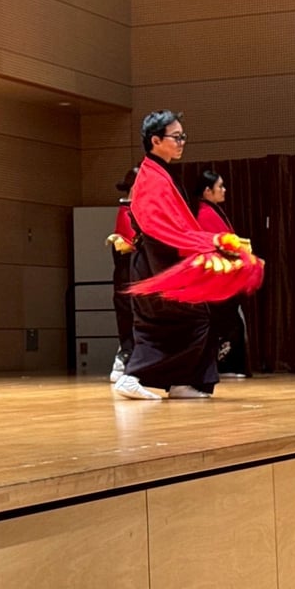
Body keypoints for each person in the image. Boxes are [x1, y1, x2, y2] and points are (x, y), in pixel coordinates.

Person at [112, 112, 263, 400]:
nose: (182, 142)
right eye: (176, 137)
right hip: (156, 262)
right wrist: (207, 245)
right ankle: (138, 376)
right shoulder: (152, 178)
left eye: (183, 136)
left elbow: (175, 226)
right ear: (156, 141)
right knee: (190, 320)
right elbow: (159, 227)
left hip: (157, 260)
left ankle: (179, 382)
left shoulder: (160, 173)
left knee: (168, 324)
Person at [194, 170, 250, 378]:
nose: (224, 190)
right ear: (207, 191)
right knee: (228, 322)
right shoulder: (205, 215)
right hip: (217, 281)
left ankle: (227, 365)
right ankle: (226, 366)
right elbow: (218, 246)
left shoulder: (211, 211)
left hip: (223, 279)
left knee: (231, 321)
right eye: (220, 186)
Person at [106, 166, 138, 382]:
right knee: (129, 318)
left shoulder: (134, 212)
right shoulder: (126, 214)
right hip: (128, 282)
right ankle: (125, 359)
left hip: (132, 281)